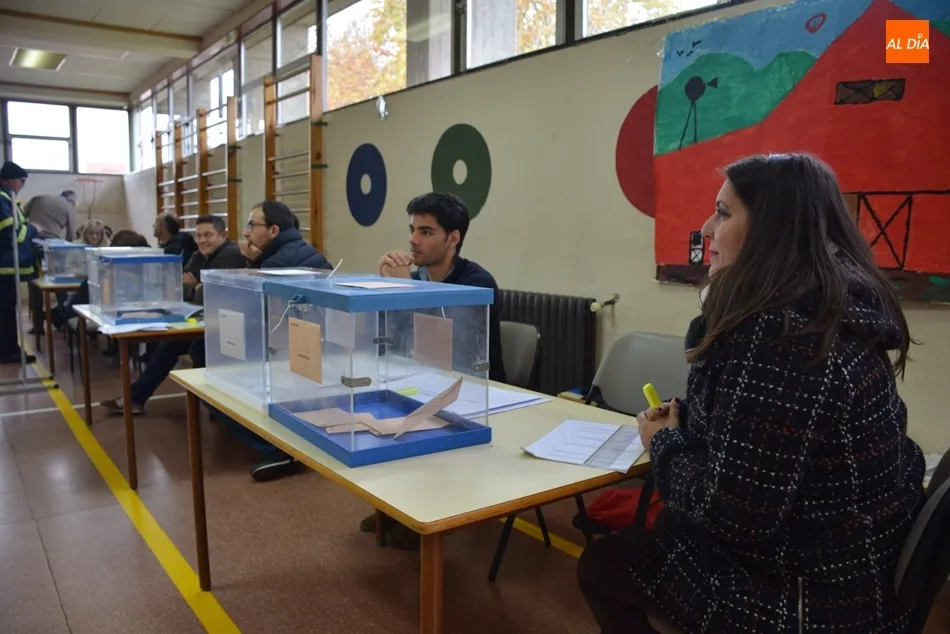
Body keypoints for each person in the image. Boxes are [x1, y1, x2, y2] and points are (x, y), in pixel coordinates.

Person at [576, 153, 926, 634]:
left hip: (807, 599)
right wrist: (687, 418)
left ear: (773, 231)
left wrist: (664, 441)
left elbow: (733, 517)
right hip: (860, 567)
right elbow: (771, 435)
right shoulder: (832, 311)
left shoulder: (778, 339)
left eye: (723, 213)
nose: (706, 229)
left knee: (604, 564)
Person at [361, 192, 507, 549]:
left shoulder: (476, 282)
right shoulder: (420, 275)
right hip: (427, 379)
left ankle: (431, 519)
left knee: (416, 420)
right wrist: (385, 286)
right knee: (380, 410)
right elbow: (392, 340)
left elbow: (448, 349)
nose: (413, 240)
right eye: (412, 230)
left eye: (426, 232)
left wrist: (405, 288)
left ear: (453, 238)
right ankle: (395, 508)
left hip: (474, 388)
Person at [221, 201, 332, 482]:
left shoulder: (275, 262)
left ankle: (277, 448)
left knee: (219, 383)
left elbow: (253, 308)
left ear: (273, 230)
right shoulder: (298, 249)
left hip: (293, 347)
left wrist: (253, 263)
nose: (246, 232)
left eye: (252, 225)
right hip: (318, 343)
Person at [100, 216, 246, 415]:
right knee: (169, 343)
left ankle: (214, 408)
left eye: (208, 235)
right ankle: (135, 398)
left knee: (183, 346)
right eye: (199, 236)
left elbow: (209, 295)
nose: (202, 240)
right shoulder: (199, 254)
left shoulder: (230, 254)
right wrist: (195, 287)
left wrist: (195, 287)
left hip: (227, 328)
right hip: (203, 321)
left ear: (223, 235)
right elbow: (175, 287)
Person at [25, 190, 79, 335]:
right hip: (53, 248)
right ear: (72, 202)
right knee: (61, 286)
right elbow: (71, 234)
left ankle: (37, 326)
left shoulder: (38, 197)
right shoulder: (68, 207)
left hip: (31, 244)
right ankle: (65, 321)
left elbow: (21, 216)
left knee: (34, 285)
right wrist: (67, 255)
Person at [0, 161, 38, 364]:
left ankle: (9, 349)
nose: (23, 184)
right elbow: (11, 235)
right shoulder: (2, 200)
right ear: (9, 180)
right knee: (5, 312)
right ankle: (8, 352)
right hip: (4, 268)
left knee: (7, 311)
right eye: (22, 180)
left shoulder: (7, 198)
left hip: (7, 268)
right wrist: (32, 229)